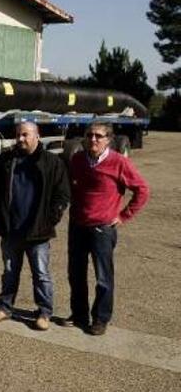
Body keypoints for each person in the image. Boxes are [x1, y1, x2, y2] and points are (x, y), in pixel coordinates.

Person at [59, 122, 149, 336]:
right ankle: (79, 314)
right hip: (78, 226)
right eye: (89, 135)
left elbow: (142, 190)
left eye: (98, 136)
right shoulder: (78, 160)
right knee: (76, 274)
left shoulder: (119, 162)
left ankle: (100, 318)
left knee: (103, 277)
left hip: (102, 228)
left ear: (109, 139)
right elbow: (71, 187)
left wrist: (123, 216)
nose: (93, 140)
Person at [0, 122, 70, 331]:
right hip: (11, 229)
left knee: (41, 274)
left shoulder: (52, 162)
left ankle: (44, 312)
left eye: (25, 135)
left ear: (37, 136)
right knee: (9, 272)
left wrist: (50, 220)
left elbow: (62, 194)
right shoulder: (6, 160)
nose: (21, 139)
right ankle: (5, 308)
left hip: (37, 231)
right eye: (18, 135)